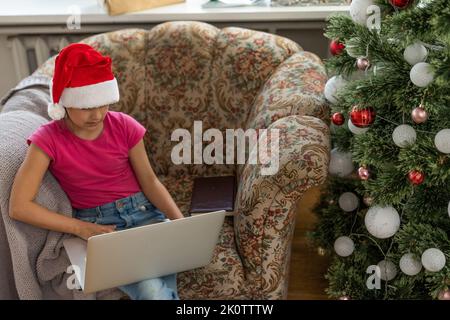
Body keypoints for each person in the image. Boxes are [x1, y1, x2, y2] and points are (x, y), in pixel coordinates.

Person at [8, 43, 184, 300]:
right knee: (151, 290)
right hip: (102, 226)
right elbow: (19, 206)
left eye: (103, 104)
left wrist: (180, 223)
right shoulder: (47, 141)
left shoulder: (125, 126)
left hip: (147, 216)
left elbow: (150, 182)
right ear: (65, 103)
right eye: (86, 106)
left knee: (156, 283)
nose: (98, 114)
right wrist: (80, 228)